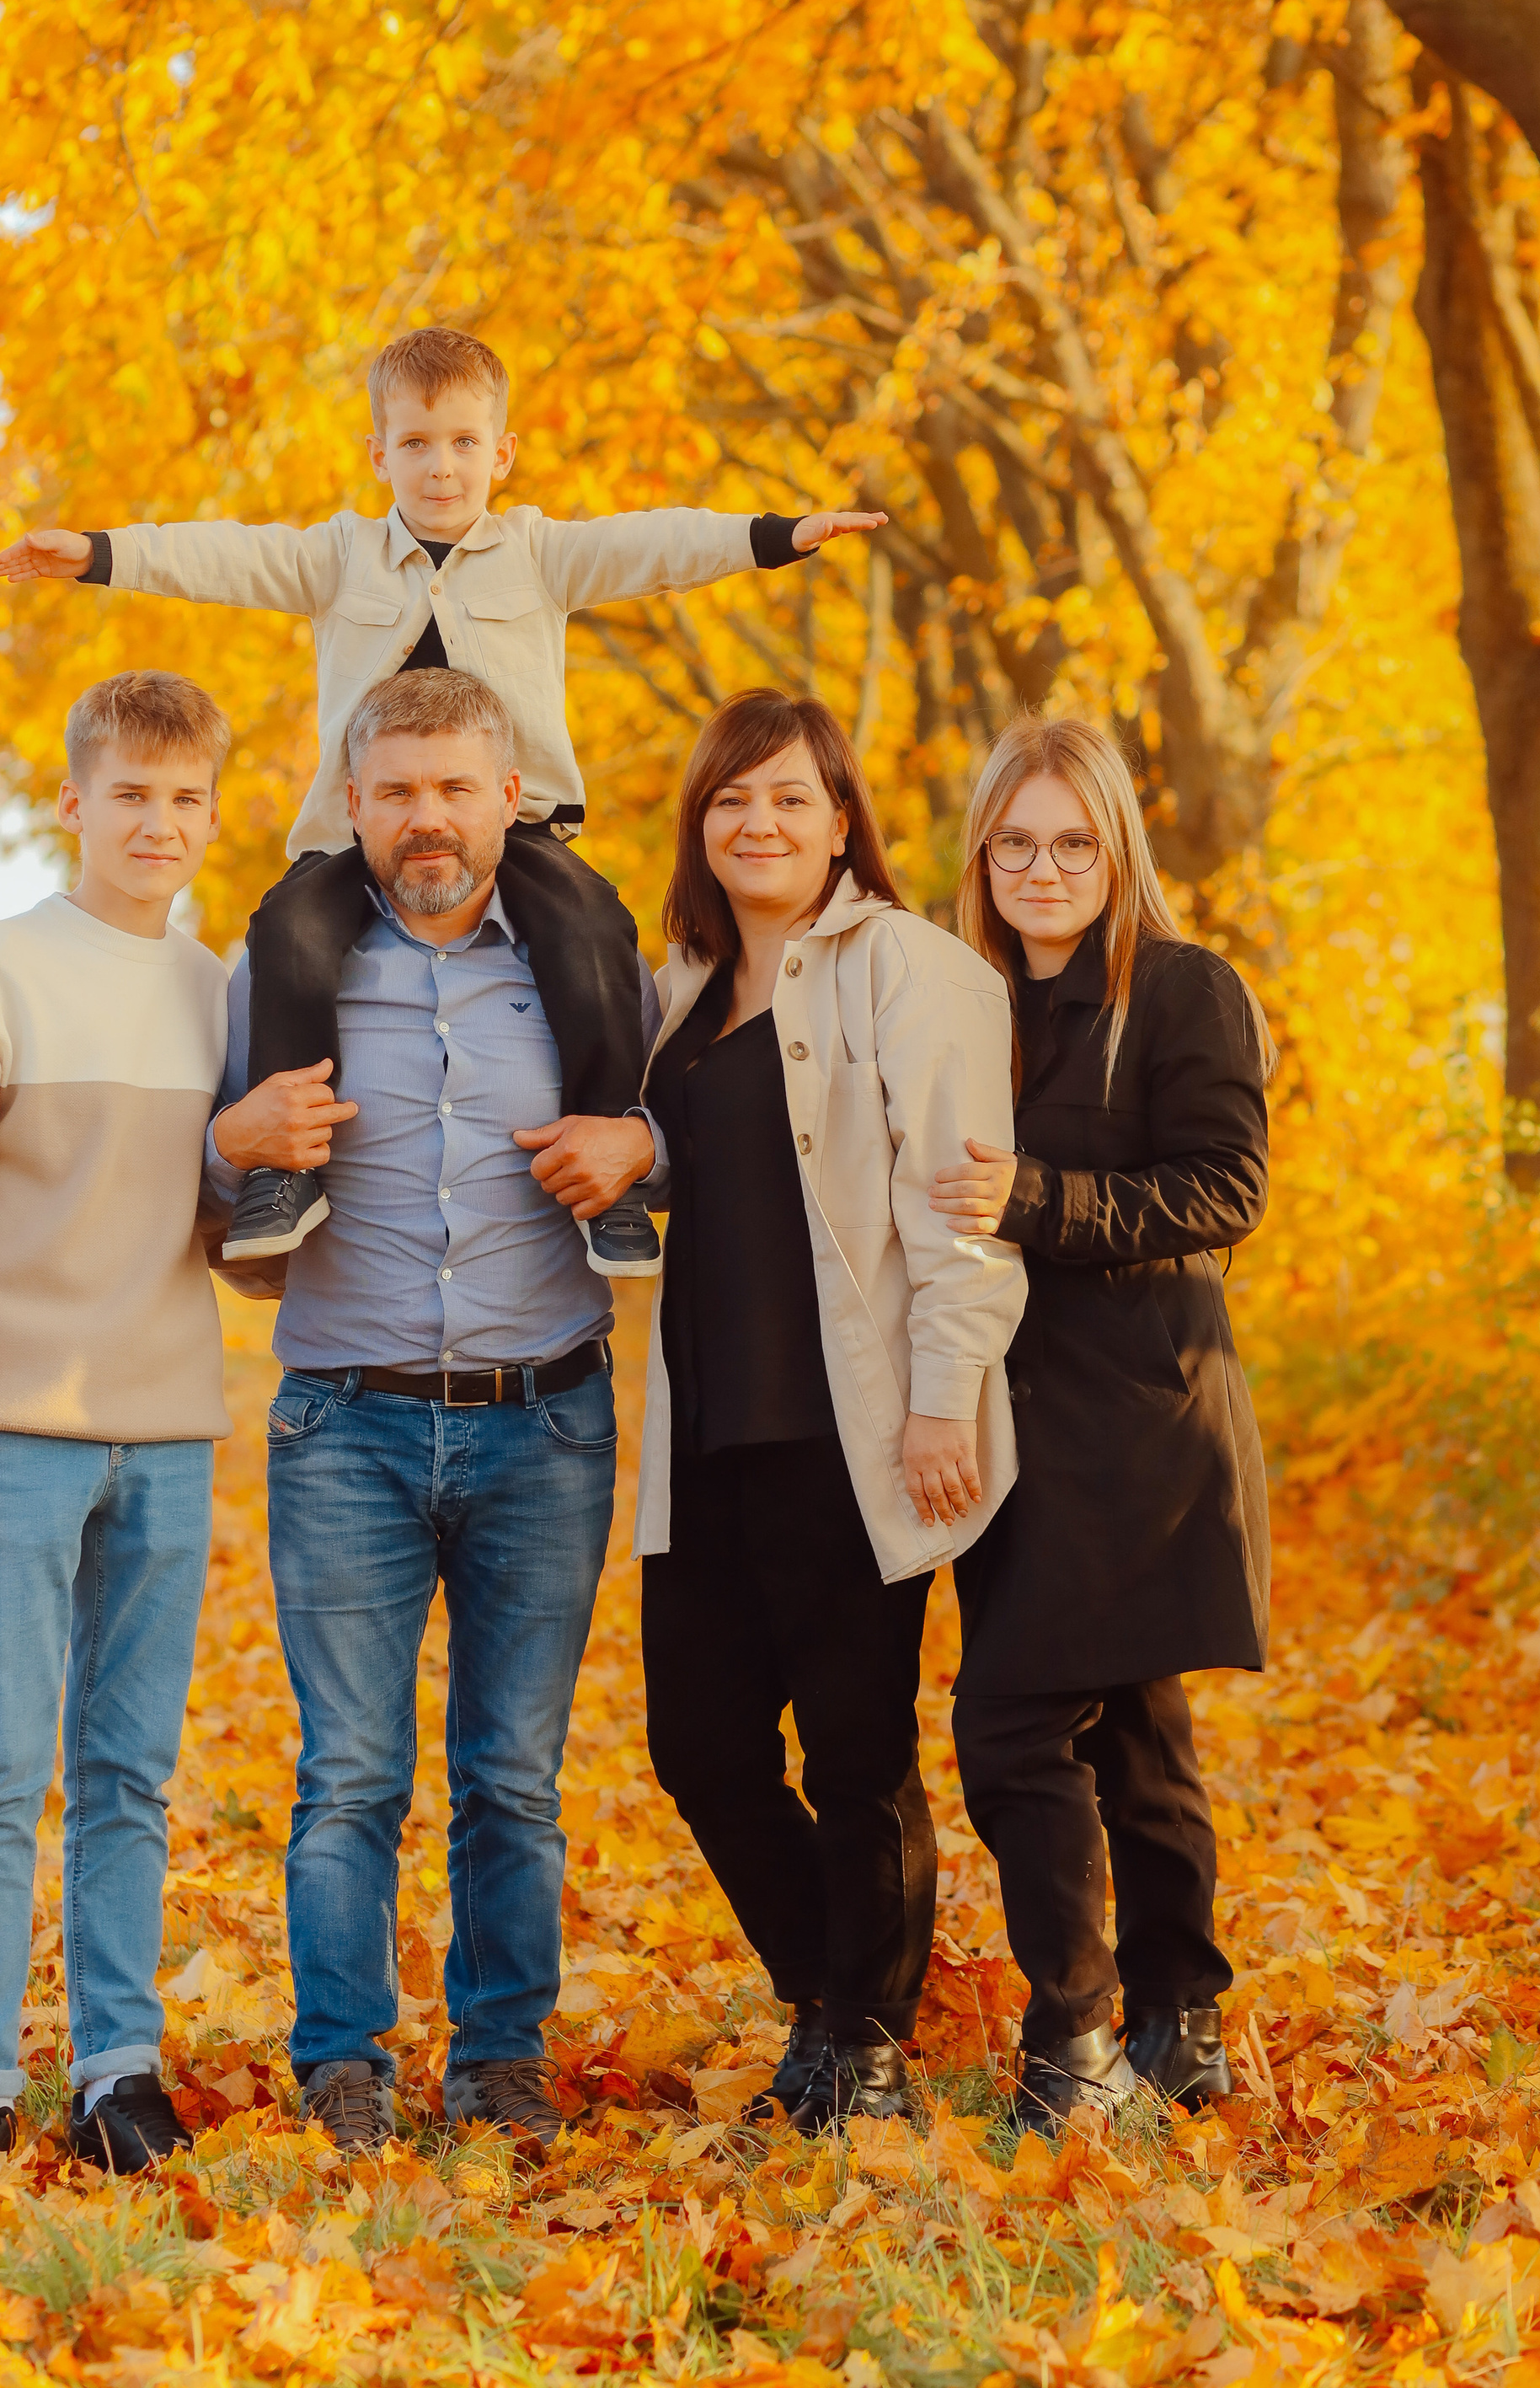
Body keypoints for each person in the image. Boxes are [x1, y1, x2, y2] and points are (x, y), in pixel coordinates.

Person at [0, 324, 883, 1269]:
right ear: (379, 454)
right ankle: (287, 1173)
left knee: (593, 931)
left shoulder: (539, 554)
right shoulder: (339, 557)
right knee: (285, 930)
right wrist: (93, 553)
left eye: (463, 443)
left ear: (501, 452)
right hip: (357, 836)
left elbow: (654, 545)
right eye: (415, 444)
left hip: (519, 832)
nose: (441, 467)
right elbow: (219, 557)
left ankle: (601, 1159)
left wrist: (781, 537)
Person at [200, 667, 665, 2153]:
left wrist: (638, 1140)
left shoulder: (586, 963)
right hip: (346, 1425)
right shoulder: (281, 969)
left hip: (548, 1422)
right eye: (397, 791)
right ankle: (345, 2063)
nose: (427, 819)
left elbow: (672, 1125)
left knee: (511, 1781)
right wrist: (233, 1140)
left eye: (457, 787)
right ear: (353, 806)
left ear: (509, 795)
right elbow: (208, 1185)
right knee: (349, 1776)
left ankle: (501, 2065)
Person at [0, 672, 245, 2178]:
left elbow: (232, 1218)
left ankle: (117, 2071)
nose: (159, 823)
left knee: (133, 1772)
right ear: (74, 804)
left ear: (213, 817)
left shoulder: (223, 995)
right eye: (130, 795)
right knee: (1, 1767)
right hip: (5, 1433)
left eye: (187, 799)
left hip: (165, 1435)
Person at [633, 690, 1027, 2134]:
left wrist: (943, 1402)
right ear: (702, 823)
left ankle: (859, 2051)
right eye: (733, 799)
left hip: (850, 1435)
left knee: (858, 1754)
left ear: (844, 818)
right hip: (707, 1435)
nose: (761, 823)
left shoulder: (912, 973)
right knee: (701, 1748)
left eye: (792, 797)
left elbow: (964, 1216)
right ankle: (826, 1993)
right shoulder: (678, 993)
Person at [928, 715, 1273, 2134]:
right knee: (1136, 1727)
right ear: (984, 856)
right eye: (1018, 844)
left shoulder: (1185, 991)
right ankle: (1179, 2026)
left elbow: (1224, 1191)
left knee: (1010, 1726)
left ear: (1117, 847)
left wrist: (1037, 1201)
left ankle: (1073, 2043)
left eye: (1073, 842)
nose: (1044, 868)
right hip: (1000, 1416)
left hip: (1137, 1420)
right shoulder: (960, 1002)